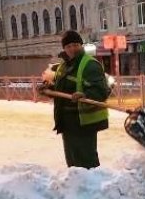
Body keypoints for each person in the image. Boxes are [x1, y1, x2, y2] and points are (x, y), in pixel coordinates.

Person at [41, 30, 111, 168]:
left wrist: (85, 95)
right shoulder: (62, 66)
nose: (72, 49)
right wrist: (47, 90)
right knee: (72, 159)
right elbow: (59, 90)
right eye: (68, 46)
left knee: (86, 158)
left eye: (75, 45)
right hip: (67, 121)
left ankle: (93, 186)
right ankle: (77, 185)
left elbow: (101, 90)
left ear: (81, 45)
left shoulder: (90, 64)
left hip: (84, 121)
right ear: (64, 49)